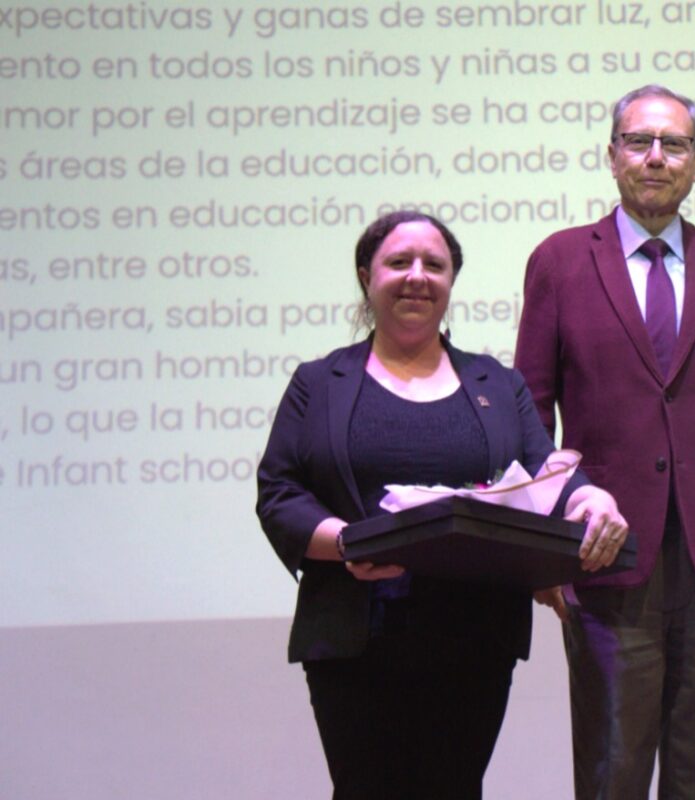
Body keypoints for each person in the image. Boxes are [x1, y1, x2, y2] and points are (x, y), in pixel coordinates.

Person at [255, 211, 628, 800]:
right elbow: (280, 492)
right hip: (355, 636)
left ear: (452, 280)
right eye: (398, 262)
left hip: (475, 638)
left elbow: (545, 471)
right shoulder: (319, 382)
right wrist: (346, 543)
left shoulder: (497, 384)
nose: (417, 277)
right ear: (366, 276)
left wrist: (589, 494)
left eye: (435, 264)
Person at [514, 84, 695, 799]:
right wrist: (539, 547)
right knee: (612, 769)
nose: (655, 157)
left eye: (674, 144)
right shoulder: (559, 260)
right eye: (639, 141)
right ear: (611, 154)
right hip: (605, 555)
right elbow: (529, 416)